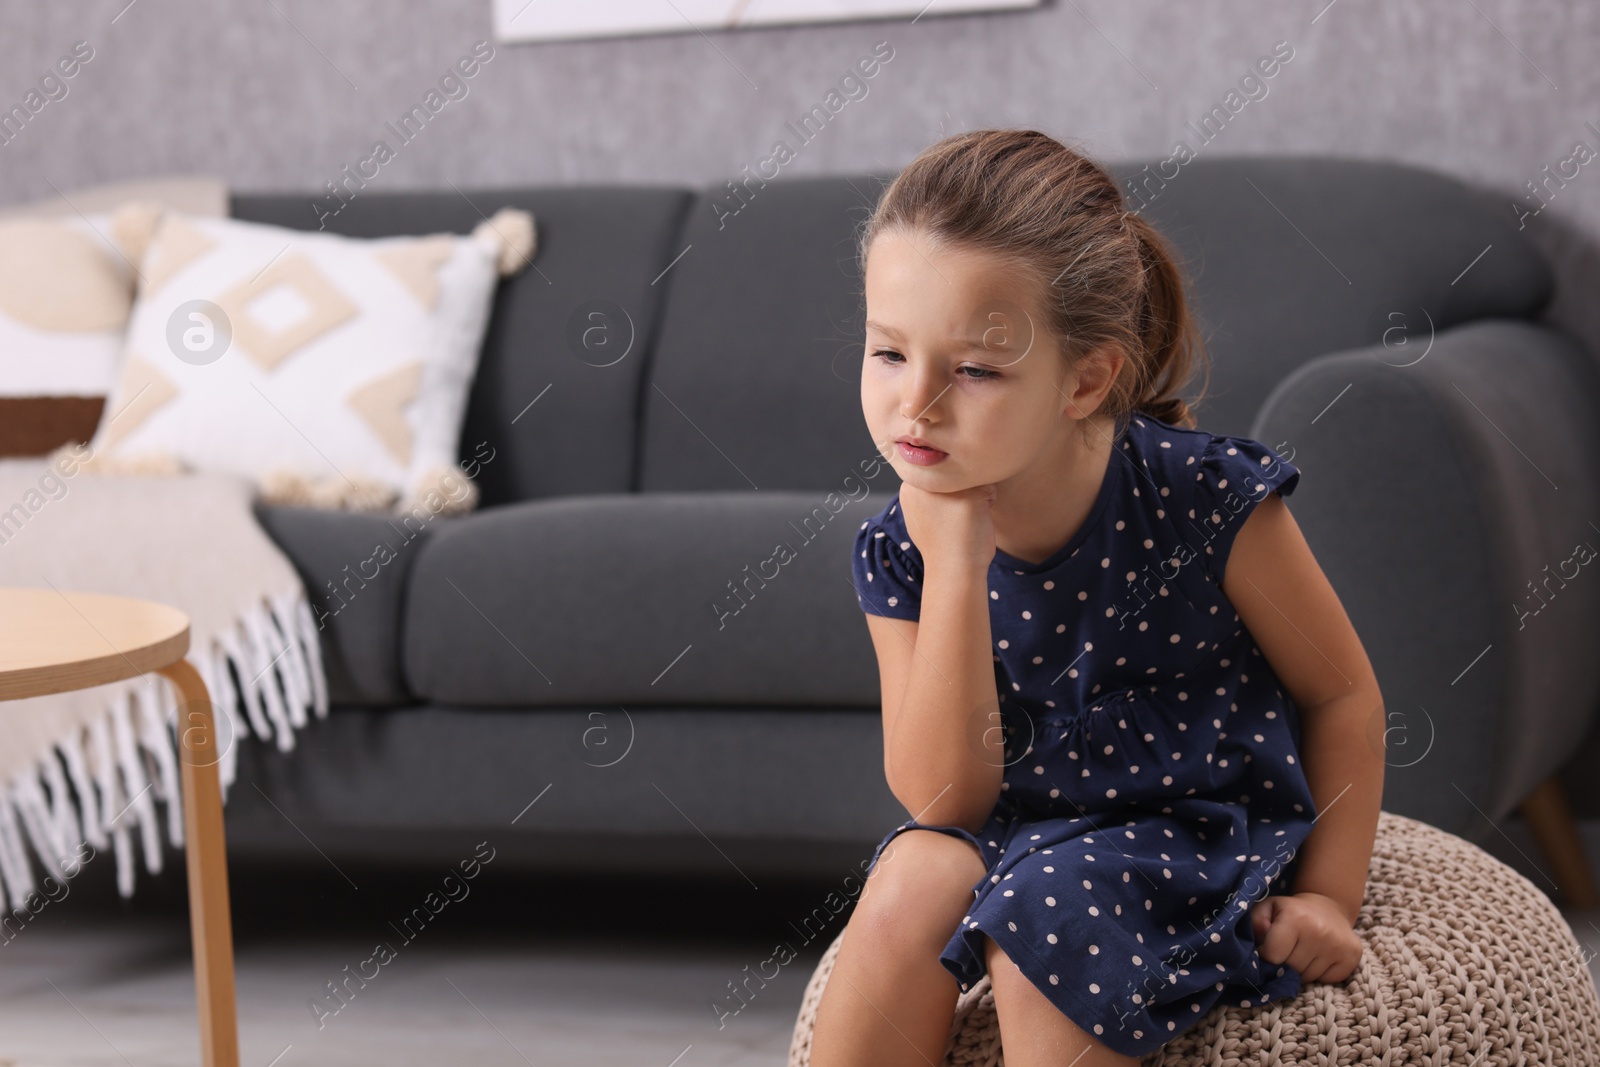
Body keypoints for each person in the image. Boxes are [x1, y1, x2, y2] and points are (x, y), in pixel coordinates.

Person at [809, 129, 1385, 1067]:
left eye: (976, 370)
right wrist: (955, 564)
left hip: (1188, 823)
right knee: (913, 873)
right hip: (1012, 819)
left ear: (1085, 379)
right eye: (886, 353)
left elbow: (1342, 695)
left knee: (1047, 908)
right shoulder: (901, 545)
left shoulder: (1205, 497)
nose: (916, 405)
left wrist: (1329, 895)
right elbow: (943, 799)